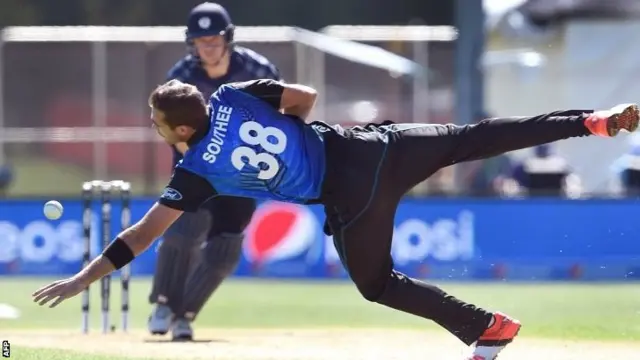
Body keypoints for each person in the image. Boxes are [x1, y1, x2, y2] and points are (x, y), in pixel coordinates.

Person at [32, 78, 639, 360]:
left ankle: (489, 328)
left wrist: (80, 280)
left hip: (346, 193)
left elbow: (141, 234)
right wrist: (290, 133)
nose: (153, 125)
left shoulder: (194, 175)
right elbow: (304, 97)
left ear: (180, 131)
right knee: (473, 138)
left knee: (377, 285)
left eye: (157, 121)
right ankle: (590, 120)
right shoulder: (230, 97)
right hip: (371, 145)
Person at [147, 2, 282, 341]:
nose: (207, 46)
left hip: (242, 172)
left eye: (214, 39)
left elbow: (277, 121)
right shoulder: (182, 76)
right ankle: (164, 303)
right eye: (200, 40)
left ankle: (185, 315)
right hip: (195, 166)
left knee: (225, 249)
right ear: (191, 43)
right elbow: (171, 130)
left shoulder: (257, 68)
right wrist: (207, 162)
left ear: (228, 39)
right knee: (183, 232)